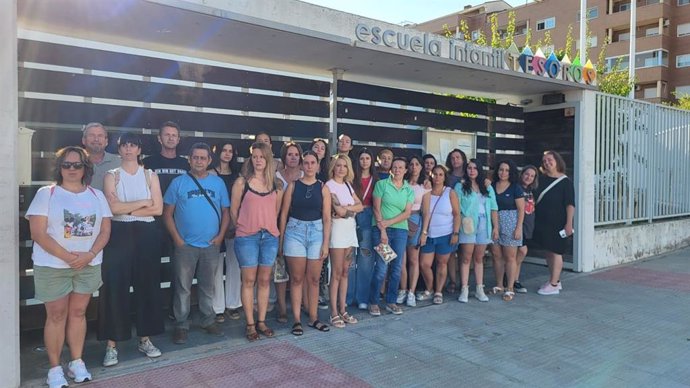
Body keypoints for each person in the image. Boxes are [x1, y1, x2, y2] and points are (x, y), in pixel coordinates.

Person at [26, 146, 112, 388]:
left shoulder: (97, 195)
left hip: (89, 264)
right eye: (67, 165)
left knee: (78, 313)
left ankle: (76, 361)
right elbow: (38, 233)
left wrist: (90, 254)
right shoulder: (47, 193)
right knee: (56, 315)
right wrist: (69, 257)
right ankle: (55, 368)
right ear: (59, 167)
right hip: (53, 265)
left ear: (86, 168)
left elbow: (105, 230)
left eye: (77, 165)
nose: (72, 169)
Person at [98, 133, 164, 366]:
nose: (128, 149)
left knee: (146, 285)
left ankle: (145, 339)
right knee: (115, 287)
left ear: (139, 149)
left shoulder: (150, 175)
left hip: (146, 234)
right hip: (119, 235)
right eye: (124, 145)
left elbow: (157, 209)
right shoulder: (111, 175)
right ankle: (112, 345)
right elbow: (112, 208)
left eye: (132, 145)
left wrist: (128, 210)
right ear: (119, 149)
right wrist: (142, 203)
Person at [164, 142, 230, 344]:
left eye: (203, 158)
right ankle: (181, 324)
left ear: (209, 160)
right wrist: (177, 239)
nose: (199, 161)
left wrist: (220, 237)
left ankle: (207, 320)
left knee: (207, 287)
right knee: (182, 288)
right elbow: (167, 214)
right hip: (186, 246)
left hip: (211, 245)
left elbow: (226, 212)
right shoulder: (178, 183)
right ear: (189, 159)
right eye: (195, 157)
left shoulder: (218, 183)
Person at [231, 142, 284, 341]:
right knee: (248, 280)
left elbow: (276, 212)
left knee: (264, 280)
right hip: (247, 237)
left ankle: (261, 321)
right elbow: (234, 211)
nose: (258, 160)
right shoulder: (241, 183)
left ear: (268, 159)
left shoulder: (276, 185)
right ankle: (250, 324)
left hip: (269, 237)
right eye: (255, 156)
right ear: (251, 159)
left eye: (262, 157)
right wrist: (244, 228)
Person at [279, 150, 332, 335]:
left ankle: (313, 318)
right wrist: (281, 239)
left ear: (318, 166)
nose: (309, 166)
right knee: (296, 279)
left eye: (313, 163)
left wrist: (326, 243)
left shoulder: (323, 188)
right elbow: (284, 213)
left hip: (317, 233)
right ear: (302, 165)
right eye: (306, 163)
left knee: (314, 279)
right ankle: (296, 320)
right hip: (295, 233)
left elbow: (327, 217)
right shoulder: (293, 186)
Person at [142, 121, 188, 321]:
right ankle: (151, 311)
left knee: (178, 271)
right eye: (166, 134)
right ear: (159, 138)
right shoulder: (148, 163)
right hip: (152, 223)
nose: (170, 138)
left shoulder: (186, 164)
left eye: (174, 135)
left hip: (179, 224)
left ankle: (174, 310)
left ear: (179, 139)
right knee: (150, 268)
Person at [369, 157, 413, 316]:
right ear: (390, 169)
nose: (397, 170)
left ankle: (391, 302)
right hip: (381, 231)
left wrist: (389, 223)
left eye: (401, 167)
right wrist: (383, 229)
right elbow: (376, 208)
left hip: (400, 231)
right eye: (395, 167)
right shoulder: (382, 185)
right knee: (381, 267)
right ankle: (373, 302)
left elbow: (407, 212)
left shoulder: (408, 189)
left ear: (406, 170)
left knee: (396, 268)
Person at [326, 155, 363, 328]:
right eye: (338, 165)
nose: (341, 168)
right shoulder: (329, 186)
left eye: (344, 166)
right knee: (336, 272)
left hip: (349, 230)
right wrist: (350, 209)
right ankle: (333, 312)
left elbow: (360, 206)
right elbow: (337, 210)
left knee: (346, 272)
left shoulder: (348, 185)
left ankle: (343, 309)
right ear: (333, 167)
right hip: (337, 232)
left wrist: (346, 209)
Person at [455, 159, 498, 304]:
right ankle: (464, 289)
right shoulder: (460, 186)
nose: (471, 170)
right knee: (466, 258)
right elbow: (456, 208)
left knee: (479, 258)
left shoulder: (487, 186)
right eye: (469, 168)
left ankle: (480, 288)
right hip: (468, 224)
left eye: (474, 168)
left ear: (479, 170)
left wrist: (496, 227)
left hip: (484, 224)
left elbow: (493, 208)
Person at [533, 151, 575, 296]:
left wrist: (569, 223)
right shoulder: (542, 179)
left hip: (558, 222)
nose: (547, 163)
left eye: (550, 160)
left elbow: (570, 204)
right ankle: (554, 279)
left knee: (556, 251)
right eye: (544, 161)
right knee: (548, 251)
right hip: (543, 222)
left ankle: (554, 284)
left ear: (557, 161)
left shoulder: (565, 182)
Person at [209, 141, 242, 323]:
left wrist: (234, 225)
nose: (227, 154)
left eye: (231, 151)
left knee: (234, 266)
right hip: (216, 226)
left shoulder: (238, 175)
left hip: (235, 226)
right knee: (215, 268)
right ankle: (218, 307)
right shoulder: (211, 174)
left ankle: (233, 304)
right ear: (217, 152)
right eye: (224, 150)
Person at [418, 165, 461, 304]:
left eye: (440, 174)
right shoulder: (427, 194)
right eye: (435, 174)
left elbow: (456, 214)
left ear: (444, 177)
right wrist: (424, 233)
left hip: (445, 233)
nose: (437, 177)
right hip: (430, 234)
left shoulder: (450, 192)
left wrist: (455, 232)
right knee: (424, 264)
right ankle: (430, 289)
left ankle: (438, 292)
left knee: (442, 263)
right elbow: (425, 215)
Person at [274, 142, 304, 323]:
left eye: (296, 154)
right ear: (284, 157)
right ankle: (282, 309)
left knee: (298, 271)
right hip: (277, 224)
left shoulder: (305, 175)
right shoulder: (276, 176)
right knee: (280, 268)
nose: (293, 157)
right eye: (289, 154)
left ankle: (300, 306)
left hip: (300, 225)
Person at [489, 160, 525, 302]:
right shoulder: (492, 186)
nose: (503, 173)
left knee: (510, 257)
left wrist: (518, 228)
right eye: (501, 169)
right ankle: (499, 285)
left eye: (506, 170)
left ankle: (510, 287)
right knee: (496, 255)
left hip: (511, 221)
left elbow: (521, 209)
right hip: (494, 222)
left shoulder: (516, 187)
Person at [396, 155, 429, 307]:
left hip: (415, 221)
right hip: (400, 220)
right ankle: (402, 289)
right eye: (412, 164)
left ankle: (411, 291)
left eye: (417, 164)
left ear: (421, 167)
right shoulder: (402, 183)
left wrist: (424, 232)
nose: (414, 167)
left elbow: (426, 212)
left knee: (413, 259)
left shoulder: (424, 186)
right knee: (401, 259)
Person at [350, 148, 378, 310]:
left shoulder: (378, 179)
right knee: (349, 258)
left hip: (369, 216)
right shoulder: (352, 178)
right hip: (352, 215)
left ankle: (362, 297)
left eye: (368, 158)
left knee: (366, 258)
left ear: (372, 160)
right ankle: (347, 296)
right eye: (362, 158)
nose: (365, 161)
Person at [444, 148, 467, 294]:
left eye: (458, 157)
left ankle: (464, 282)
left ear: (463, 159)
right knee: (451, 252)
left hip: (468, 218)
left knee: (465, 252)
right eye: (452, 158)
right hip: (451, 217)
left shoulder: (470, 174)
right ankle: (452, 281)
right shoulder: (447, 176)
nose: (455, 160)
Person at [515, 165, 539, 294]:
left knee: (520, 254)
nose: (528, 177)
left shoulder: (530, 190)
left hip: (528, 226)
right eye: (526, 174)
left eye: (532, 176)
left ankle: (514, 279)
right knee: (522, 251)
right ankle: (512, 277)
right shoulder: (517, 188)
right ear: (522, 174)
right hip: (520, 226)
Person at [81, 122, 120, 191]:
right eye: (92, 135)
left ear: (106, 141)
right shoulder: (75, 163)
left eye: (100, 136)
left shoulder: (119, 163)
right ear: (83, 140)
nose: (96, 139)